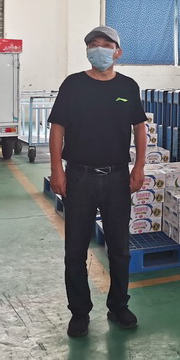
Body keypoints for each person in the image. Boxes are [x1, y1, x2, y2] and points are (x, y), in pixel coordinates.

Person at [48, 25, 147, 338]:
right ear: (87, 50)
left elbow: (139, 128)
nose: (99, 49)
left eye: (106, 44)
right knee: (75, 250)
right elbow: (57, 128)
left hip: (117, 177)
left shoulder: (128, 86)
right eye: (93, 44)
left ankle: (119, 306)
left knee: (120, 249)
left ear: (118, 52)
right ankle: (79, 312)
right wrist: (57, 169)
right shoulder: (73, 85)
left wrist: (139, 166)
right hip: (79, 177)